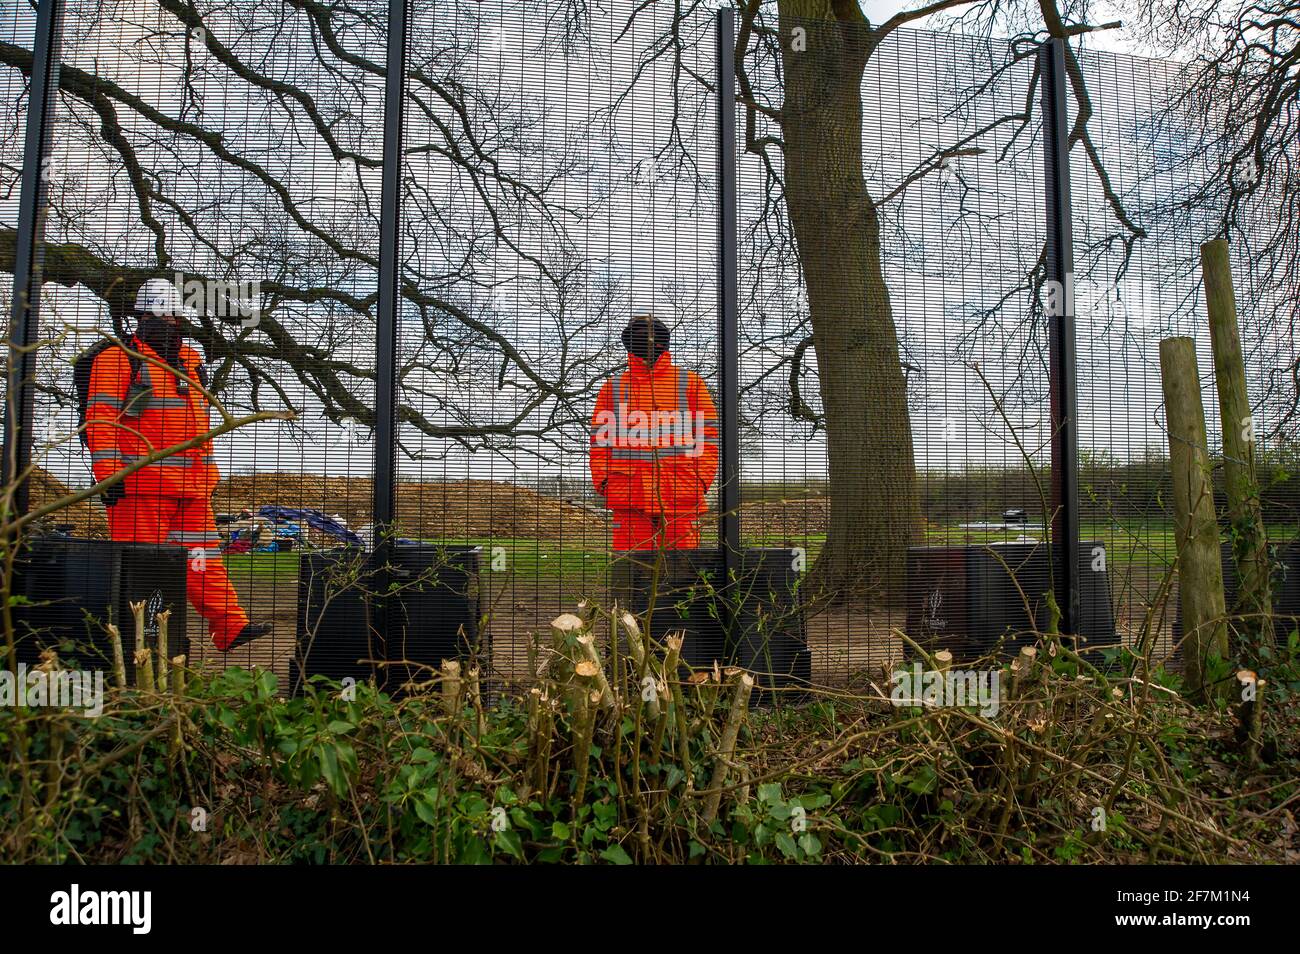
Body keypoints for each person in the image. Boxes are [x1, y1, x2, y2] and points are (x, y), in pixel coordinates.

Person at [84, 279, 271, 652]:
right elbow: (100, 420)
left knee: (204, 561)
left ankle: (230, 626)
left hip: (191, 488)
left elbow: (201, 427)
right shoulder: (116, 359)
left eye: (175, 314)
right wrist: (109, 477)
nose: (172, 321)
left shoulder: (190, 362)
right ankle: (152, 644)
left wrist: (209, 475)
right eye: (164, 313)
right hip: (140, 487)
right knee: (145, 571)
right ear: (143, 316)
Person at [589, 314, 718, 549]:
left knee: (682, 570)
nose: (648, 345)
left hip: (680, 493)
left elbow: (708, 436)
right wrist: (605, 481)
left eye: (652, 339)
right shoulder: (613, 388)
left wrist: (700, 480)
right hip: (629, 494)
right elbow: (600, 442)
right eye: (638, 339)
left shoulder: (689, 383)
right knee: (631, 573)